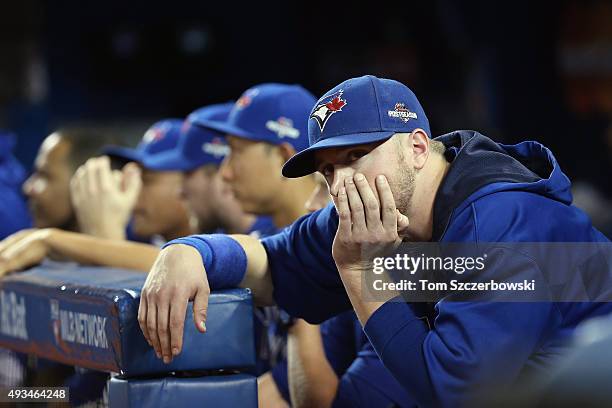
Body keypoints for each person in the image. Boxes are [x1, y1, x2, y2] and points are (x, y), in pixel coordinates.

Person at [139, 75, 612, 407]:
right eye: (328, 169)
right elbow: (271, 261)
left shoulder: (505, 223)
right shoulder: (372, 209)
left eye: (358, 155)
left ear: (418, 147)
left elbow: (457, 394)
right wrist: (188, 252)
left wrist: (362, 273)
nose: (341, 181)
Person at [288, 173, 414, 407]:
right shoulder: (346, 285)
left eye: (324, 191)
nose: (311, 204)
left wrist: (300, 295)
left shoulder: (408, 282)